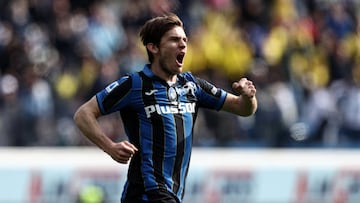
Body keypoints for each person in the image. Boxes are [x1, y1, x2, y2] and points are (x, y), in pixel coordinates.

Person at [73, 13, 257, 203]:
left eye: (184, 39)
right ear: (153, 47)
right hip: (147, 192)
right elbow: (83, 114)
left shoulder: (192, 86)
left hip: (171, 194)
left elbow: (243, 109)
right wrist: (110, 147)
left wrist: (248, 96)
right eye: (174, 40)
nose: (183, 44)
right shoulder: (135, 84)